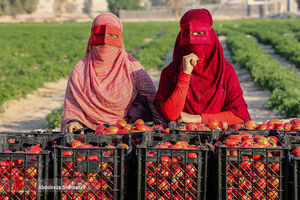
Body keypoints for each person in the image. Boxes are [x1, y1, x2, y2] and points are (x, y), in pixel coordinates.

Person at [61, 13, 159, 134]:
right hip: (89, 134)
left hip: (129, 131)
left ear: (120, 38)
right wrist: (72, 122)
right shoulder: (80, 71)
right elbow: (72, 107)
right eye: (99, 35)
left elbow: (151, 99)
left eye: (112, 36)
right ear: (92, 37)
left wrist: (161, 128)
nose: (105, 43)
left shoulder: (132, 68)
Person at [154, 9, 251, 125]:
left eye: (199, 34)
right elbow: (171, 114)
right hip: (180, 139)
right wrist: (185, 75)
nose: (193, 41)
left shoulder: (225, 71)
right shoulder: (171, 72)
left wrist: (198, 118)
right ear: (180, 37)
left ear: (210, 35)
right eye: (187, 35)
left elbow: (238, 115)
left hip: (219, 137)